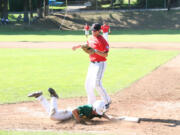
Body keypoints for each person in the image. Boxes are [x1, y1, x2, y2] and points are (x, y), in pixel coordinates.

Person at [72, 23, 111, 109]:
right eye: (92, 30)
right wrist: (76, 46)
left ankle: (107, 101)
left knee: (97, 84)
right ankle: (91, 103)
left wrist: (95, 51)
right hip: (92, 64)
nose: (93, 32)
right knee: (87, 84)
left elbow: (105, 55)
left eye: (94, 30)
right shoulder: (91, 38)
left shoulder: (103, 40)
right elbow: (86, 45)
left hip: (100, 63)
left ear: (99, 31)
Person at [28, 88, 114, 124]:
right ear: (94, 107)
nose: (96, 113)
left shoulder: (97, 110)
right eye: (96, 110)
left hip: (69, 115)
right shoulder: (88, 108)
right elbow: (74, 111)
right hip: (69, 114)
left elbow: (101, 114)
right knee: (52, 116)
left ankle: (39, 96)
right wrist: (79, 120)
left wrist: (109, 118)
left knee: (50, 113)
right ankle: (54, 97)